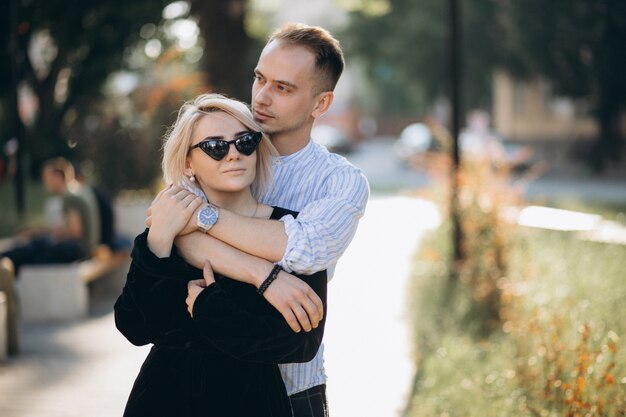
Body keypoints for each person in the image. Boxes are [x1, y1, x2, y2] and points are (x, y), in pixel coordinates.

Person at [170, 23, 370, 416]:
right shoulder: (215, 150)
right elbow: (174, 230)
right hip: (206, 381)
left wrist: (203, 217)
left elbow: (305, 248)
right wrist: (267, 277)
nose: (261, 97)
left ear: (321, 104)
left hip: (294, 386)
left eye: (283, 87)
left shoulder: (341, 181)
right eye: (260, 79)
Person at [114, 93, 328, 416]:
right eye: (215, 147)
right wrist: (159, 237)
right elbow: (135, 326)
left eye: (244, 142)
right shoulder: (170, 225)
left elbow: (301, 343)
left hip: (253, 403)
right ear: (188, 163)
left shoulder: (291, 232)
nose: (233, 155)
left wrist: (209, 308)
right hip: (164, 400)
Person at [0, 157, 97, 355]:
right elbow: (64, 230)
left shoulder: (70, 196)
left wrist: (37, 233)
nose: (45, 182)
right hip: (81, 248)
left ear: (57, 176)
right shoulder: (74, 192)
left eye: (47, 177)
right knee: (33, 248)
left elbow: (74, 232)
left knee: (31, 249)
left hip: (77, 249)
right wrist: (38, 232)